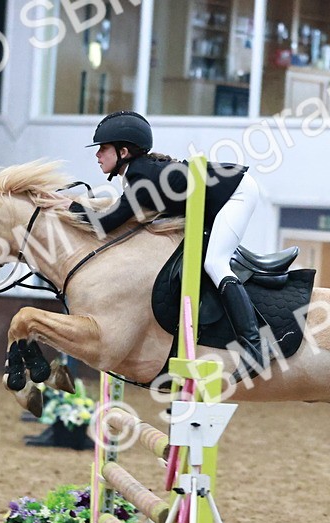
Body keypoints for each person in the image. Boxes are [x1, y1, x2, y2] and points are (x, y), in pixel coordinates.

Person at [61, 111, 265, 373]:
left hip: (237, 193)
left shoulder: (141, 177)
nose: (98, 154)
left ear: (123, 152)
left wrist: (70, 208)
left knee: (215, 263)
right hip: (217, 199)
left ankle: (254, 347)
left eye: (103, 148)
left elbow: (105, 224)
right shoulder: (138, 173)